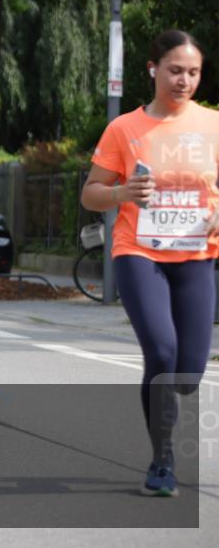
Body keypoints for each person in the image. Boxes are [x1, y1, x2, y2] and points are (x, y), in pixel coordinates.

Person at [81, 29, 218, 497]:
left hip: (198, 256)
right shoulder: (125, 129)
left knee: (187, 376)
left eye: (193, 72)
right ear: (153, 69)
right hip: (139, 252)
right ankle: (162, 462)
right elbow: (89, 193)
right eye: (175, 70)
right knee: (160, 353)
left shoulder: (214, 127)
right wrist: (121, 192)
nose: (184, 80)